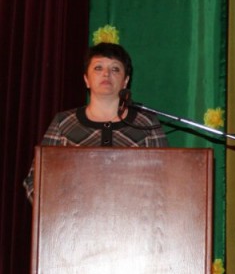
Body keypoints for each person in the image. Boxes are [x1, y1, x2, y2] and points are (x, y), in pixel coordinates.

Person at [23, 42, 168, 201]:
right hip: (73, 215)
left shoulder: (147, 123)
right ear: (86, 79)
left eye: (115, 69)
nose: (106, 74)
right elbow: (35, 181)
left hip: (137, 215)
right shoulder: (64, 123)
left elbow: (167, 178)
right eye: (98, 68)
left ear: (125, 81)